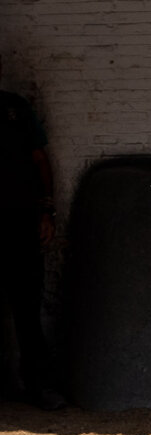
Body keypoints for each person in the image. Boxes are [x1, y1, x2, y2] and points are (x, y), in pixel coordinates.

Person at [1, 56, 65, 410]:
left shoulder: (16, 109)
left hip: (19, 223)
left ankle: (39, 386)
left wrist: (46, 211)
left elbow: (40, 160)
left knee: (27, 310)